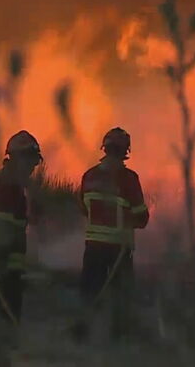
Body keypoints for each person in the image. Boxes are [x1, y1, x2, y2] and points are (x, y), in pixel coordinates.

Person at [77, 127, 149, 340]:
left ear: (105, 149)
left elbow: (83, 208)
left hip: (92, 247)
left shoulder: (88, 176)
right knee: (122, 294)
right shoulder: (128, 179)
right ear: (125, 151)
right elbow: (142, 218)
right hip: (119, 249)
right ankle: (119, 337)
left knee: (90, 291)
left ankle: (83, 332)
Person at [0, 130, 43, 324]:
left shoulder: (17, 187)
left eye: (35, 163)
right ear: (18, 159)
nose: (33, 168)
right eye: (31, 162)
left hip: (11, 272)